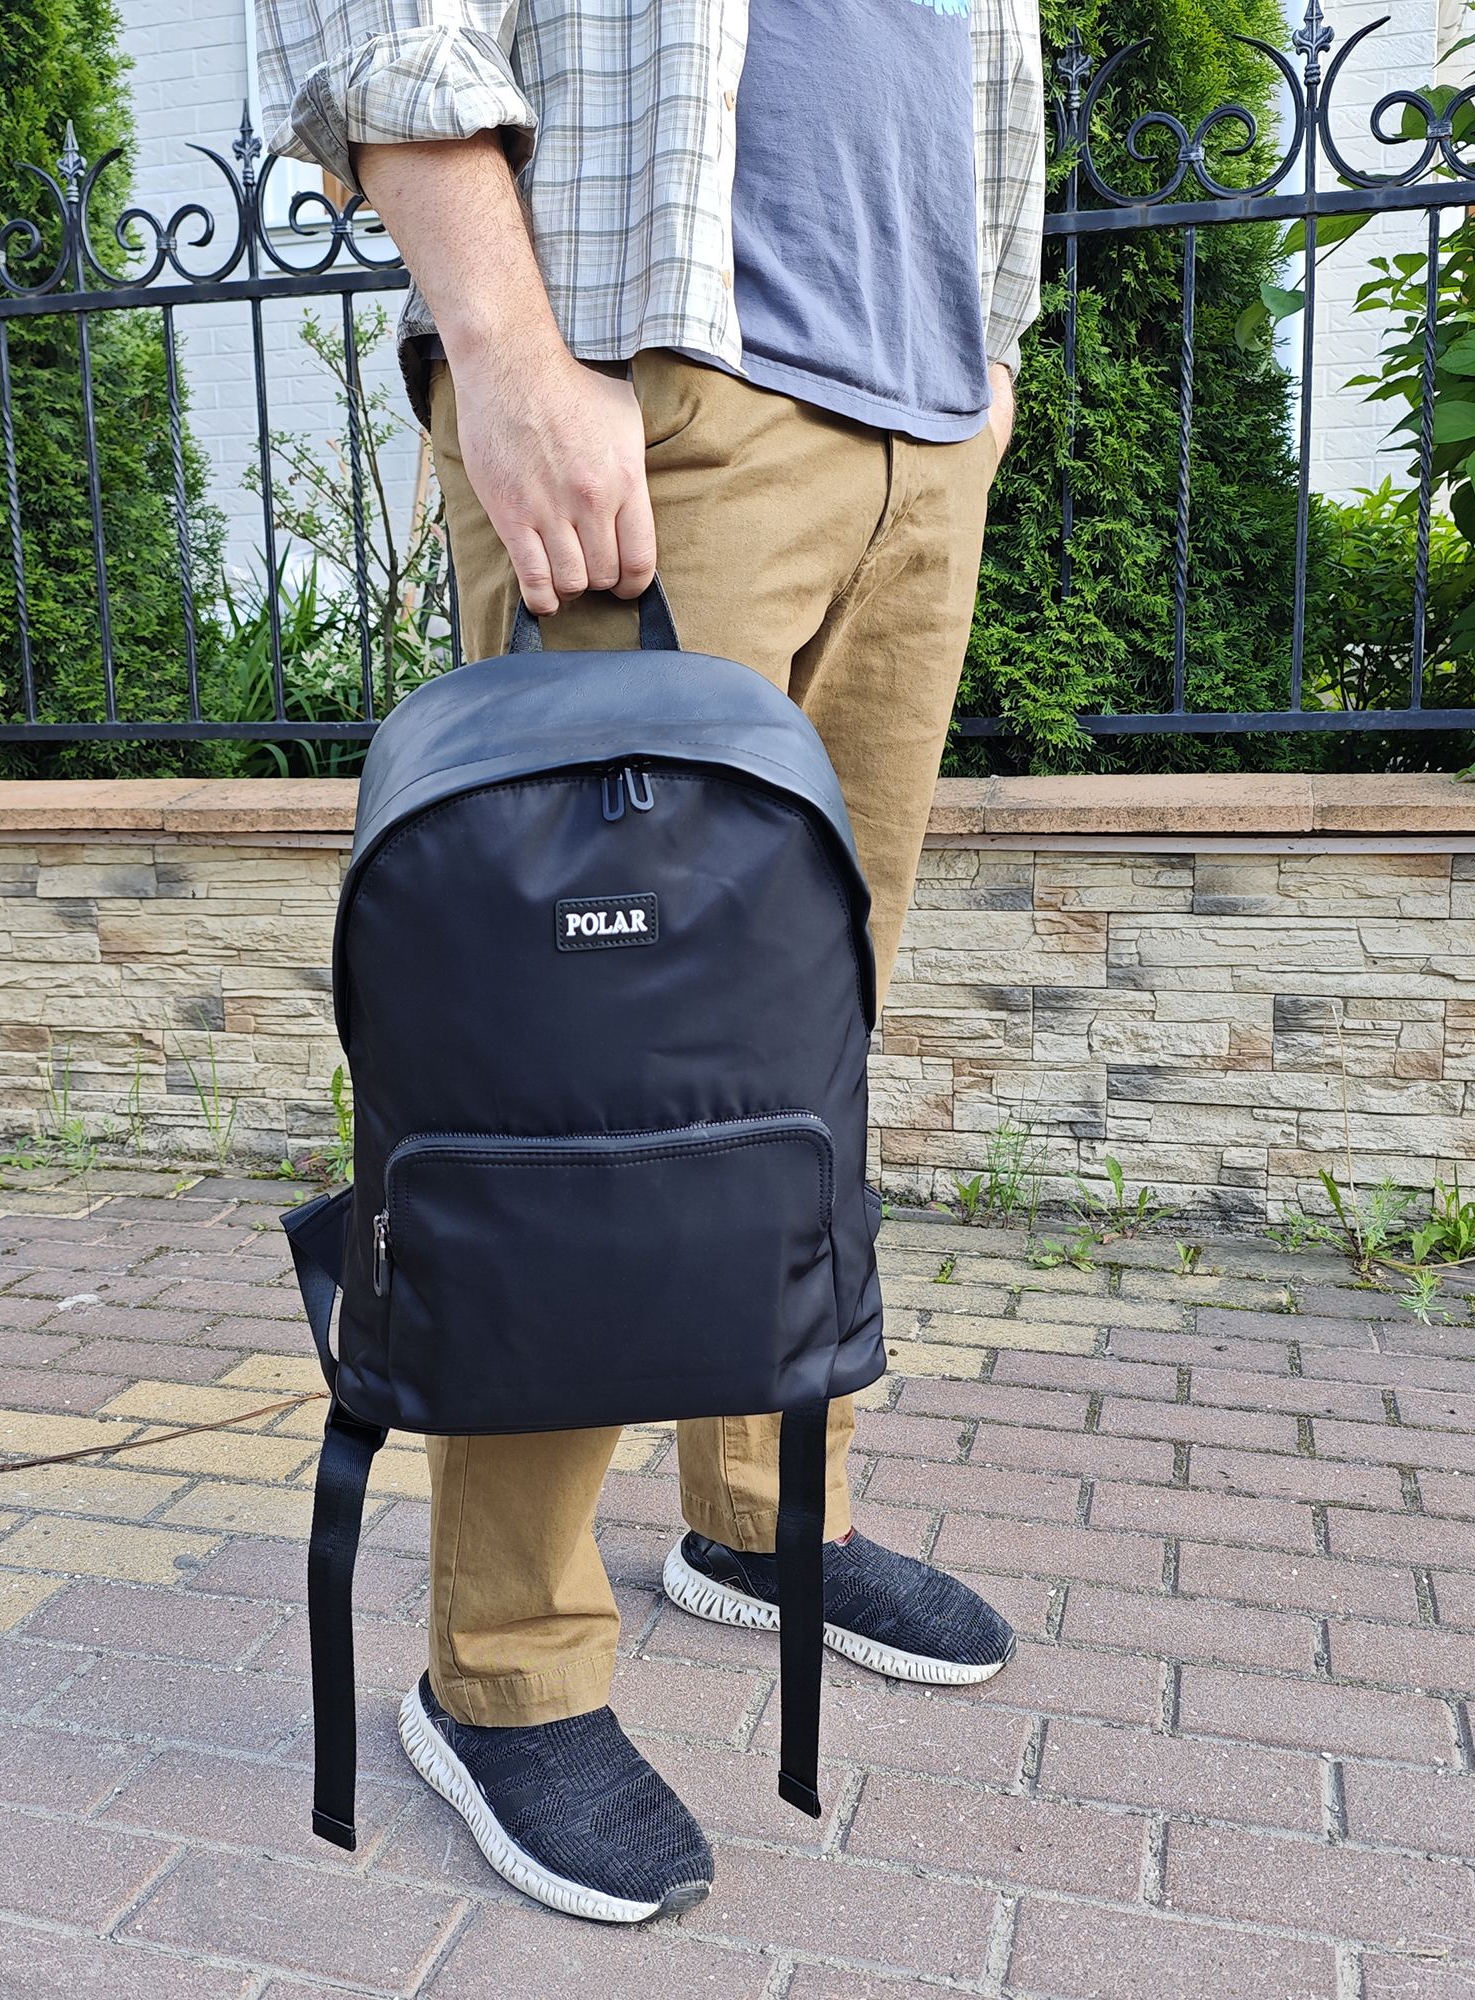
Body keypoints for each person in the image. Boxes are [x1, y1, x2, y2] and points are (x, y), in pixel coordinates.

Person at [259, 0, 1046, 1924]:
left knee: (801, 1040)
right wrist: (510, 351)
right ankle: (505, 1674)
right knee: (575, 1071)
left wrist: (985, 366)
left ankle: (764, 1517)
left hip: (919, 415)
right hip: (659, 386)